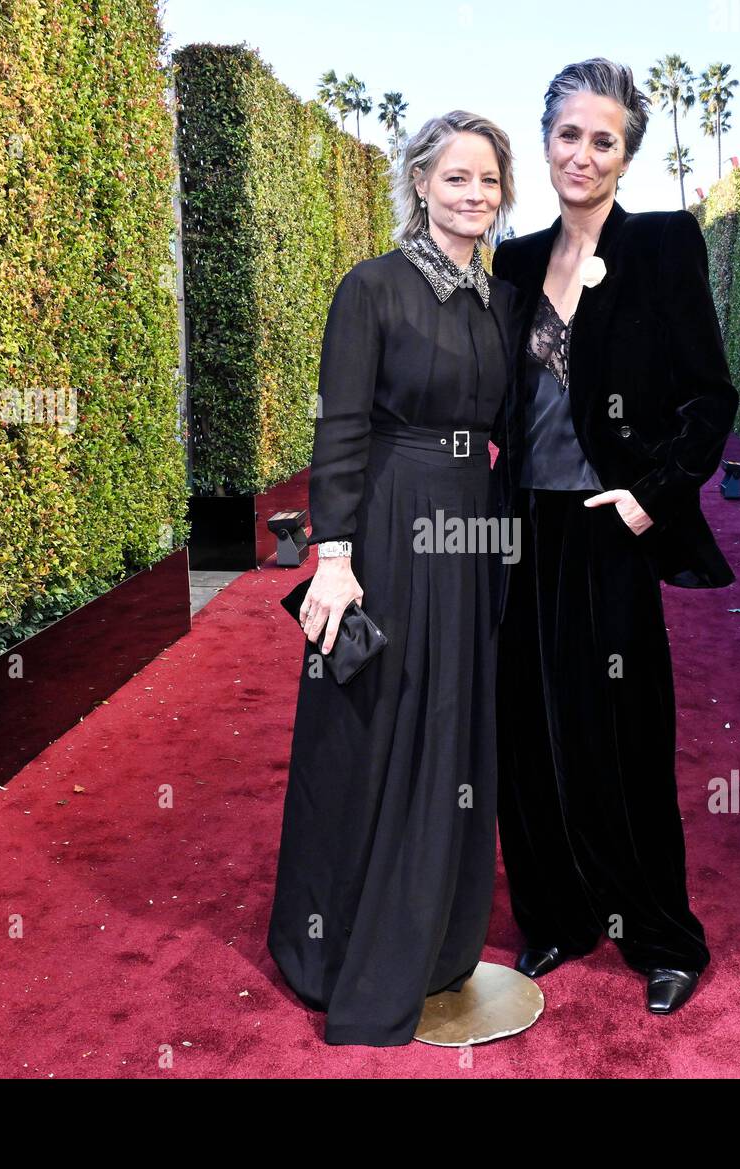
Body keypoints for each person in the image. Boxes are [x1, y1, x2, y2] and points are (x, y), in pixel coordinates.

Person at [490, 58, 738, 1014]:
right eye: (568, 135)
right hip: (523, 529)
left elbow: (710, 398)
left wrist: (649, 495)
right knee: (529, 732)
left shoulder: (667, 245)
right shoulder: (511, 261)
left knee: (627, 736)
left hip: (611, 528)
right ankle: (558, 916)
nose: (583, 154)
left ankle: (664, 936)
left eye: (604, 140)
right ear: (544, 139)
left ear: (626, 155)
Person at [267, 111, 520, 1046]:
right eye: (457, 178)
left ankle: (440, 944)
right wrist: (332, 558)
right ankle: (336, 952)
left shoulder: (497, 303)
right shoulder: (370, 288)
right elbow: (339, 427)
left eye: (489, 180)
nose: (475, 195)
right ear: (420, 183)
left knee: (454, 727)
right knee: (374, 728)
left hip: (469, 527)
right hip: (388, 525)